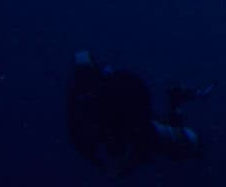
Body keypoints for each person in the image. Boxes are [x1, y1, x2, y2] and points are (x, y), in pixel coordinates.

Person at [67, 51, 206, 172]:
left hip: (136, 129)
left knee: (169, 139)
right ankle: (176, 102)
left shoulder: (93, 93)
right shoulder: (93, 94)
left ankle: (176, 102)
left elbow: (80, 133)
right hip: (134, 130)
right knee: (167, 139)